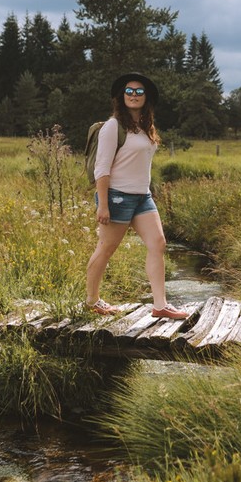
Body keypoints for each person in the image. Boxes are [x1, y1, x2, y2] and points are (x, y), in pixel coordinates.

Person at [85, 73, 189, 320]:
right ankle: (91, 301)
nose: (133, 94)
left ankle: (160, 305)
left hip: (142, 196)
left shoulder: (145, 126)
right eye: (129, 91)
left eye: (139, 91)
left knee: (158, 244)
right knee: (106, 248)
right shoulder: (113, 126)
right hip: (117, 196)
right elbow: (102, 167)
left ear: (146, 97)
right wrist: (103, 205)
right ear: (122, 96)